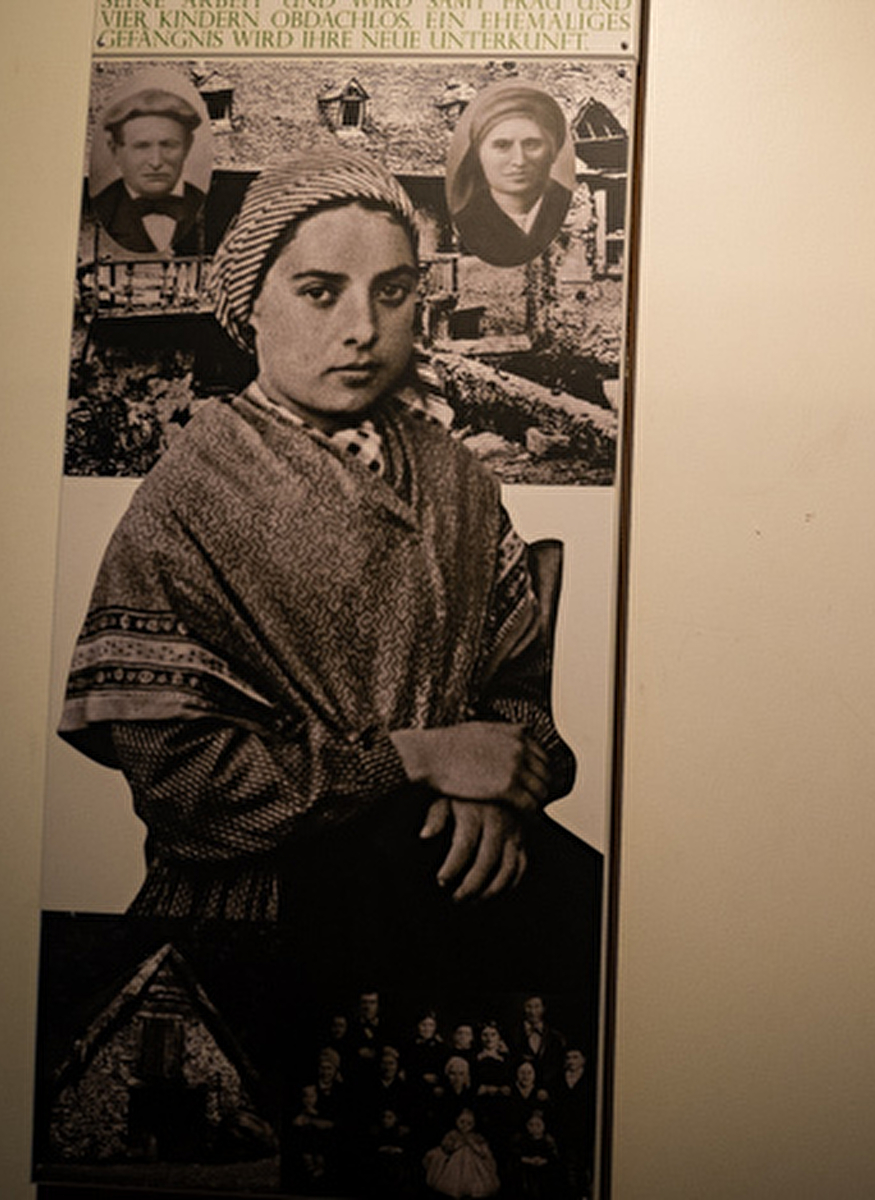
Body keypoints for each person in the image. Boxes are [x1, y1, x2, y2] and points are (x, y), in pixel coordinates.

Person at [58, 148, 577, 986]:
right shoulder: (189, 496)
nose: (362, 328)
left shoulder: (457, 479)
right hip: (261, 919)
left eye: (392, 291)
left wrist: (497, 790)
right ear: (250, 304)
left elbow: (515, 688)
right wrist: (413, 757)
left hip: (458, 897)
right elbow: (184, 788)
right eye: (319, 291)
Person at [446, 82, 573, 268]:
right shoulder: (469, 220)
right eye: (502, 146)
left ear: (553, 151)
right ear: (479, 154)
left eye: (532, 144)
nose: (519, 161)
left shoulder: (567, 208)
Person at [90, 87, 206, 255]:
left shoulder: (207, 206)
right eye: (142, 147)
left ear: (187, 146)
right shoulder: (103, 210)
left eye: (169, 145)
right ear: (115, 150)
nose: (156, 162)